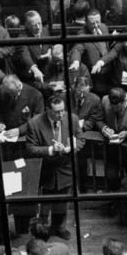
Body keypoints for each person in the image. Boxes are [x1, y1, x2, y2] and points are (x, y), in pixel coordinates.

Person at [25, 94, 85, 239]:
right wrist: (51, 150)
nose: (61, 114)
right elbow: (30, 148)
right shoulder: (34, 123)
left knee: (63, 202)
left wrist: (72, 148)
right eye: (57, 112)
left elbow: (81, 139)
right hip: (46, 169)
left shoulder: (73, 119)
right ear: (47, 110)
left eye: (62, 110)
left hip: (66, 167)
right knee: (45, 203)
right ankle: (43, 229)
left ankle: (59, 227)